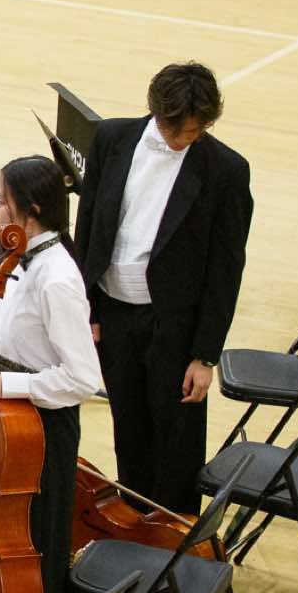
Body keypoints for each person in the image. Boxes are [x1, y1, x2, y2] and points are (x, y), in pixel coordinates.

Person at [74, 62, 252, 513]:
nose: (185, 139)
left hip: (174, 326)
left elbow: (226, 270)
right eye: (178, 131)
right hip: (114, 314)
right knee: (128, 426)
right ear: (157, 112)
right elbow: (89, 225)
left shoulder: (226, 170)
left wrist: (205, 355)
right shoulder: (111, 138)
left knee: (176, 441)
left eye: (196, 131)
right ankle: (135, 521)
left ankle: (176, 534)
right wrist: (88, 308)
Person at [0, 155, 100, 593]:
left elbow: (83, 378)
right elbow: (3, 334)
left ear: (29, 211)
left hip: (43, 427)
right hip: (9, 415)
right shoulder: (15, 259)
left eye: (0, 201)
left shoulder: (57, 279)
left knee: (38, 540)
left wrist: (6, 385)